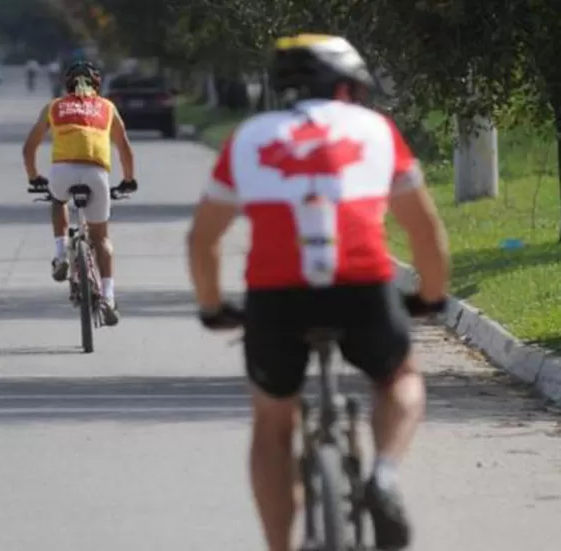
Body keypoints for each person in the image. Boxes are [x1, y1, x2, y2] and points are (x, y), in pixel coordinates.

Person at [186, 34, 450, 551]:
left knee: (272, 419)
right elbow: (424, 230)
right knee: (400, 376)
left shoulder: (249, 138)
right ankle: (386, 476)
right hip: (362, 286)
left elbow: (203, 240)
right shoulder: (377, 130)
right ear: (349, 86)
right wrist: (432, 296)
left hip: (276, 295)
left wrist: (213, 306)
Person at [22, 60, 138, 326]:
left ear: (67, 84)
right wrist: (129, 180)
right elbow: (125, 149)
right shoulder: (108, 108)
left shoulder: (54, 106)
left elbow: (29, 148)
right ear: (96, 84)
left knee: (57, 199)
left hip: (62, 173)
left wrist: (33, 177)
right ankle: (108, 297)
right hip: (97, 174)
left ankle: (61, 253)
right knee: (101, 238)